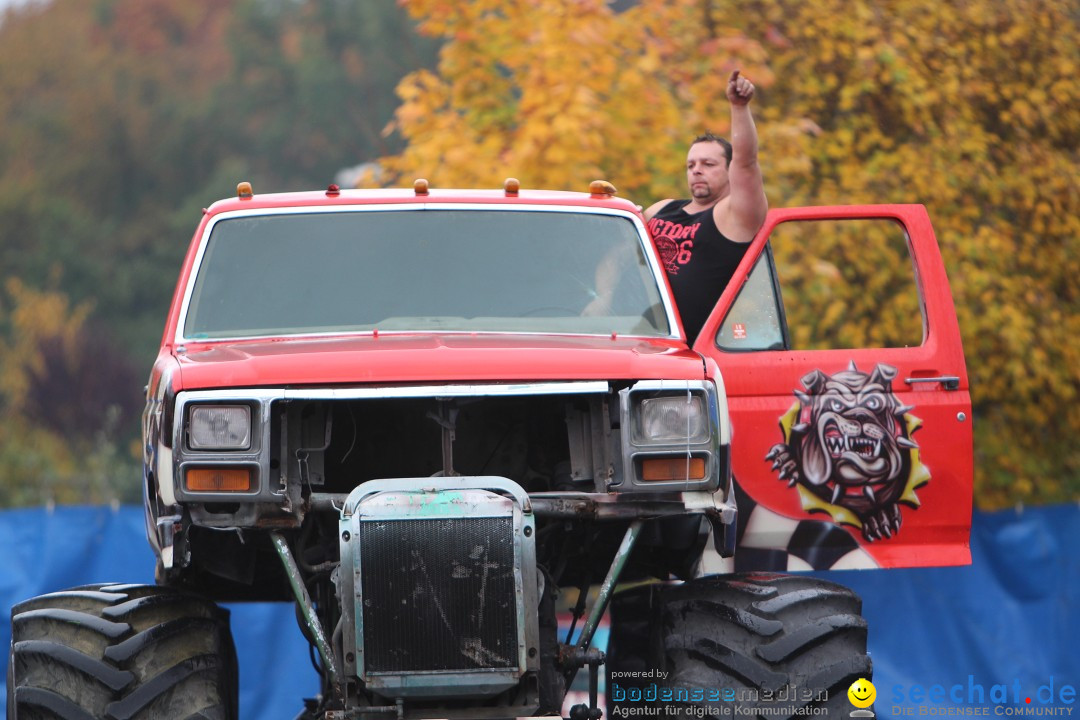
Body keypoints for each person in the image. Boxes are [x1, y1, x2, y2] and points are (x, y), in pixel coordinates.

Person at [643, 69, 769, 345]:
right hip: (639, 337)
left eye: (708, 164)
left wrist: (739, 107)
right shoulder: (663, 208)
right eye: (691, 165)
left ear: (729, 172)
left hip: (693, 350)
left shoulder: (734, 217)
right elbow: (618, 243)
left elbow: (746, 162)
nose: (697, 171)